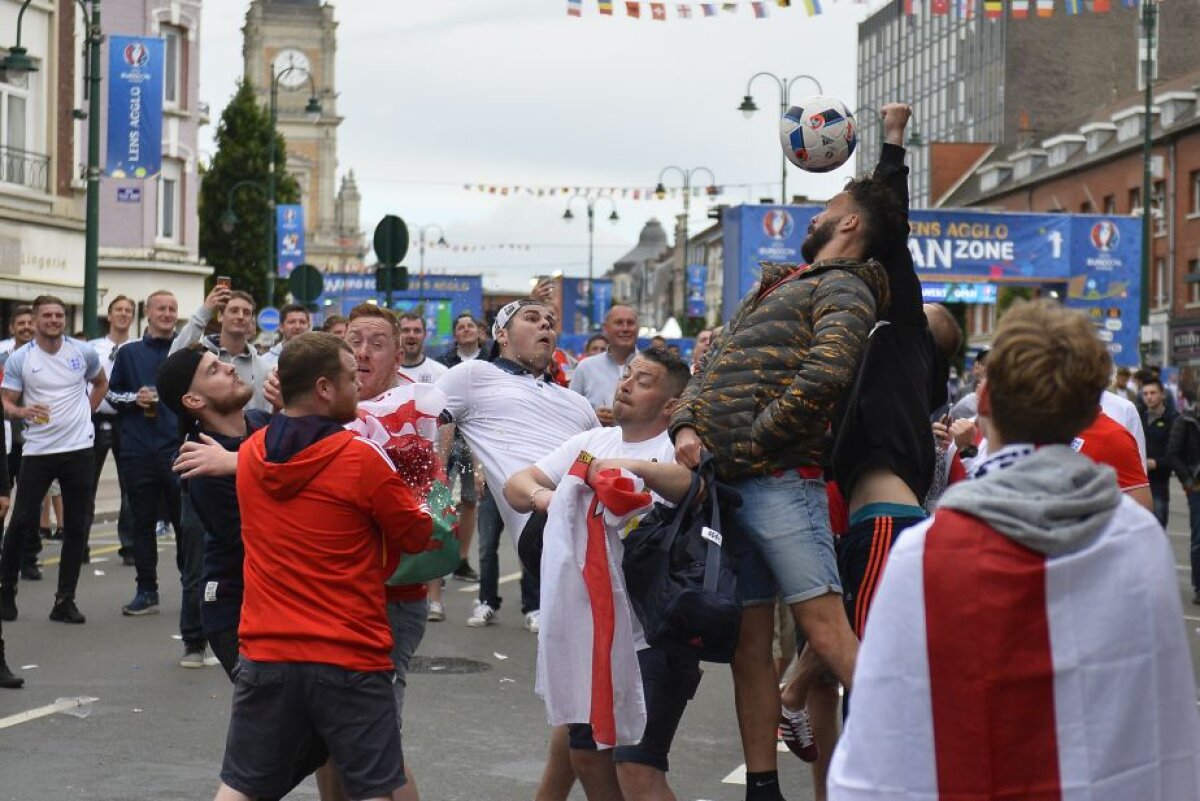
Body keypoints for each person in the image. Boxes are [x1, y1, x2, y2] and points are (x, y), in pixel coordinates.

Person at [827, 300, 1200, 801]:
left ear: (982, 399)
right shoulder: (1138, 544)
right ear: (1091, 408)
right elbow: (1161, 731)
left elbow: (884, 738)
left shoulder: (925, 553)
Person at [671, 130, 898, 800]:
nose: (816, 215)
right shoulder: (781, 283)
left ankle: (922, 760)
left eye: (827, 205)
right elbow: (709, 368)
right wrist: (687, 421)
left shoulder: (849, 285)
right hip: (732, 485)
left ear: (850, 222)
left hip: (776, 483)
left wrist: (752, 439)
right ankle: (763, 785)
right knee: (749, 646)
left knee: (829, 636)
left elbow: (828, 372)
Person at [211, 332, 433, 801]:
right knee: (374, 788)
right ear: (324, 389)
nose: (358, 387)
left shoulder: (253, 454)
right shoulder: (360, 457)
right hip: (349, 652)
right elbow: (416, 534)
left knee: (240, 789)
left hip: (267, 652)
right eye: (351, 378)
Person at [505, 347, 698, 801]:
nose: (626, 384)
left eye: (644, 380)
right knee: (588, 758)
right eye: (627, 375)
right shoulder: (593, 442)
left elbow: (692, 484)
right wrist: (543, 498)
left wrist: (632, 470)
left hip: (649, 634)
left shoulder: (678, 448)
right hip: (588, 635)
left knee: (637, 767)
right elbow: (518, 483)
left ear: (672, 404)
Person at [437, 299, 599, 633]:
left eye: (550, 321)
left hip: (598, 521)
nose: (546, 325)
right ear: (501, 334)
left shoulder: (578, 404)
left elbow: (603, 462)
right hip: (545, 525)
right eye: (532, 318)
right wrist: (435, 488)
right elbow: (420, 422)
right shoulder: (474, 375)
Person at [0, 296, 107, 625]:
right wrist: (22, 412)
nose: (54, 320)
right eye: (47, 315)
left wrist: (86, 412)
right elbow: (6, 401)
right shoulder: (21, 359)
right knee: (20, 522)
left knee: (76, 525)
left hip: (79, 450)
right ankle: (6, 593)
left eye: (59, 315)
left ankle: (65, 600)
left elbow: (101, 382)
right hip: (39, 450)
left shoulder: (82, 352)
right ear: (34, 320)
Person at [435, 313, 485, 584]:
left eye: (470, 325)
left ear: (479, 332)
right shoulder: (444, 364)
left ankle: (462, 560)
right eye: (460, 326)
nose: (466, 330)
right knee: (440, 498)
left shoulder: (490, 362)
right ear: (455, 334)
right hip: (446, 436)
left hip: (476, 439)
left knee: (469, 500)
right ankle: (437, 560)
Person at [89, 295, 136, 566]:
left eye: (128, 310)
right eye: (118, 310)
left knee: (129, 485)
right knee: (85, 485)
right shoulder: (93, 348)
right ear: (109, 315)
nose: (123, 314)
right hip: (95, 419)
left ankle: (129, 545)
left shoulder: (138, 347)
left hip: (126, 420)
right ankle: (79, 541)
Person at [171, 284, 270, 412]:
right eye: (234, 310)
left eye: (246, 313)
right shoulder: (200, 355)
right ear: (220, 316)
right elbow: (173, 360)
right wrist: (205, 311)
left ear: (251, 320)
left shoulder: (263, 368)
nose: (240, 316)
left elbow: (265, 414)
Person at [0, 306, 41, 578]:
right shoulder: (3, 356)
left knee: (30, 501)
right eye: (21, 323)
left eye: (30, 323)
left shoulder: (46, 356)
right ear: (12, 328)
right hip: (5, 441)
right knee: (3, 498)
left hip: (32, 440)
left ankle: (28, 557)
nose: (26, 327)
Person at [570, 305, 639, 426]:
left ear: (638, 328)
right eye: (619, 323)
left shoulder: (652, 368)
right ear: (605, 328)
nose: (625, 328)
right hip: (595, 443)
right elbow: (570, 411)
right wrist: (592, 418)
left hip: (640, 442)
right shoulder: (585, 368)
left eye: (630, 323)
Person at [1168, 395, 1200, 604]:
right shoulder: (1185, 421)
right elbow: (1173, 454)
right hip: (1197, 488)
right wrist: (1189, 482)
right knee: (1199, 537)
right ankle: (1199, 586)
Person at [1140, 376, 1177, 527]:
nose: (1149, 397)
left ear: (1162, 394)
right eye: (1145, 393)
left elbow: (1176, 454)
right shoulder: (1138, 416)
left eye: (1153, 393)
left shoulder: (1173, 419)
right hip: (1137, 482)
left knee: (1157, 528)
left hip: (1159, 484)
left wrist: (1156, 463)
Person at [397, 312, 448, 385]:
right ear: (397, 334)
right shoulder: (386, 372)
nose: (412, 335)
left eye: (417, 331)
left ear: (425, 335)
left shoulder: (440, 372)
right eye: (406, 330)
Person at [260, 304, 312, 371]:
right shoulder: (264, 362)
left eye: (302, 322)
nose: (297, 326)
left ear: (309, 327)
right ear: (281, 327)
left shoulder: (318, 360)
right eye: (292, 322)